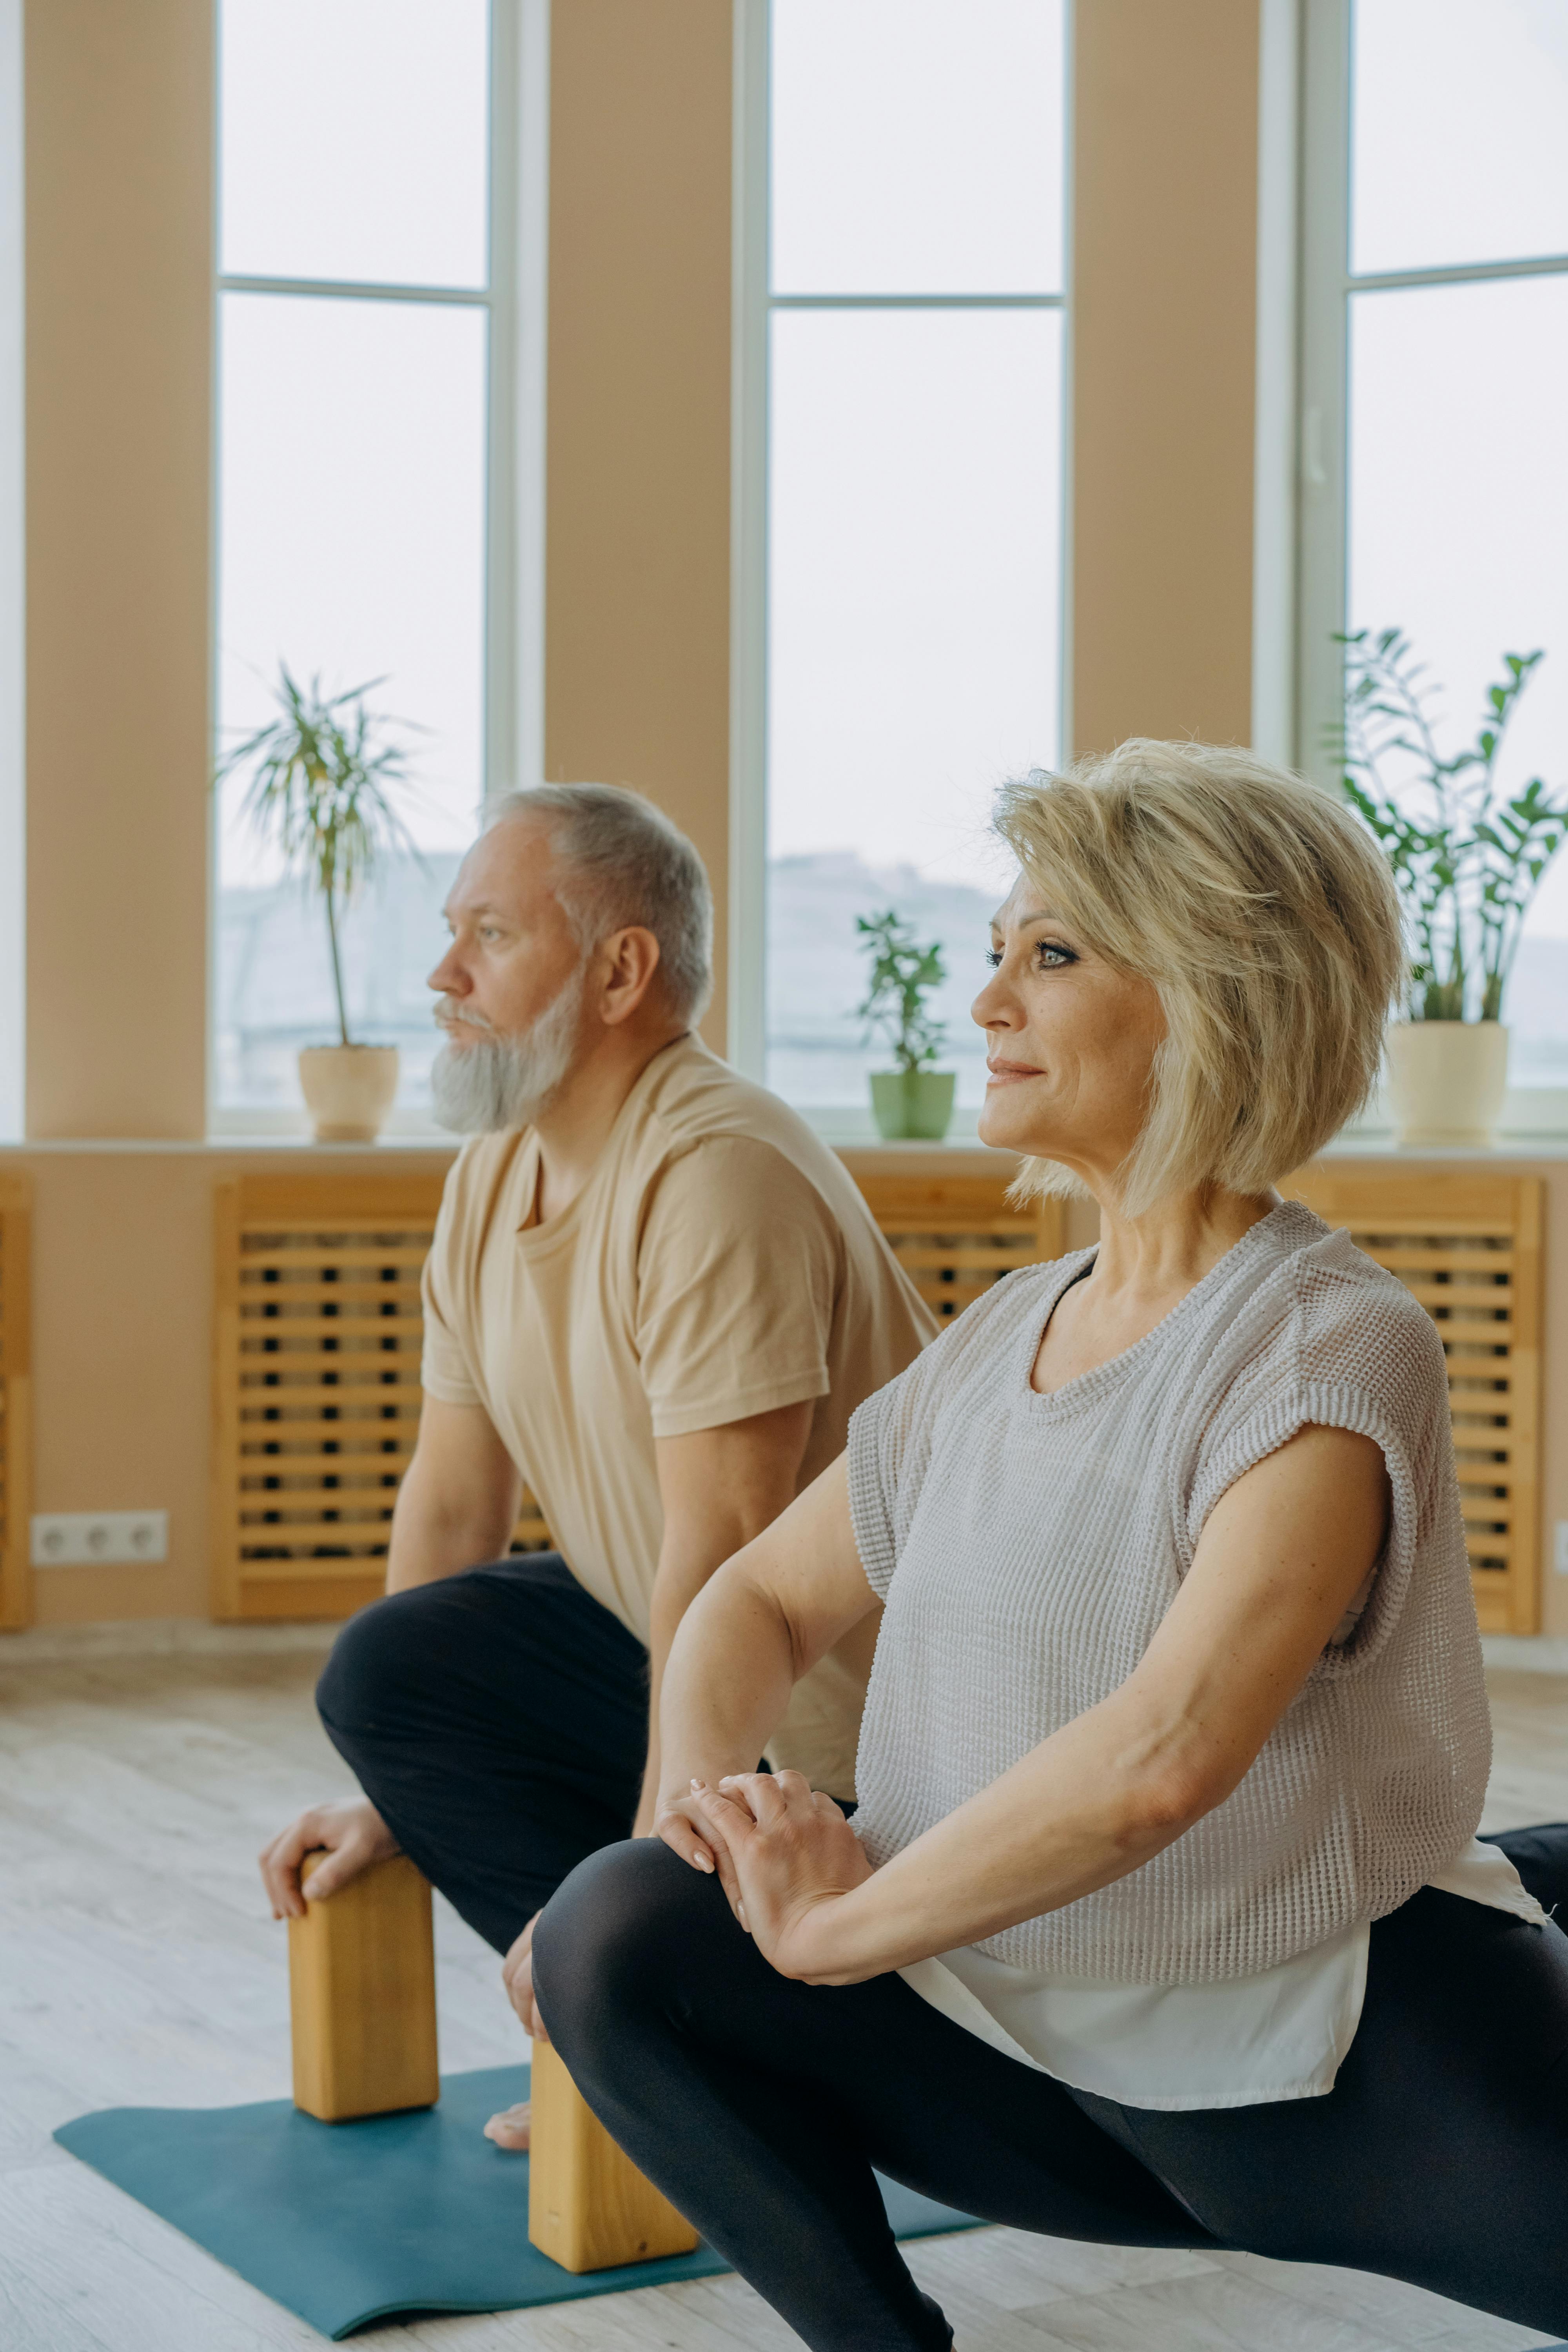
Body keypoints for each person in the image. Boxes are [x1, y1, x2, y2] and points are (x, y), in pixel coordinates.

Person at [532, 741, 1568, 2351]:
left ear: (1215, 997)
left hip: (1296, 2071)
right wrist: (701, 1821)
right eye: (995, 951)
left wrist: (826, 1926)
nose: (987, 1002)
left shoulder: (1321, 1345)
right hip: (1001, 2038)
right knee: (617, 1926)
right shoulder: (1002, 1337)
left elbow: (1161, 1759)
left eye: (1052, 954)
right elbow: (753, 1602)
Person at [258, 782, 935, 2151]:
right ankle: (647, 2018)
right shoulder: (494, 1172)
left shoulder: (716, 1172)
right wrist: (397, 1800)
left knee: (615, 1886)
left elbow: (728, 1555)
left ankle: (651, 2035)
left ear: (622, 969)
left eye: (491, 937)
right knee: (394, 1667)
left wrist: (612, 1915)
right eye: (452, 934)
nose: (445, 976)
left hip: (875, 1747)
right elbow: (453, 1500)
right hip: (685, 1660)